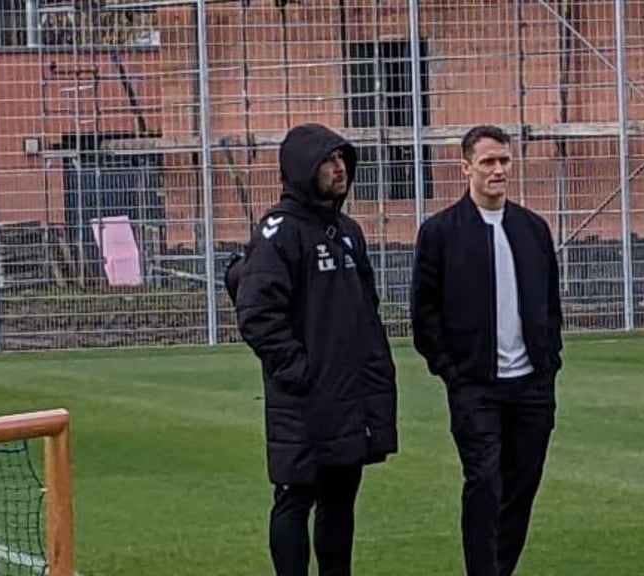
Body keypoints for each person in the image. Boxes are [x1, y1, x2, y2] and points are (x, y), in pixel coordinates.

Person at [232, 123, 398, 576]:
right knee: (294, 498)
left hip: (348, 396)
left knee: (340, 500)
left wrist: (372, 372)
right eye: (328, 160)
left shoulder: (346, 231)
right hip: (303, 401)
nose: (339, 167)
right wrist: (300, 371)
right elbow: (257, 313)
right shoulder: (280, 232)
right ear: (303, 168)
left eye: (342, 158)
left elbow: (366, 308)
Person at [410, 124, 563, 576]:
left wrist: (549, 360)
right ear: (466, 168)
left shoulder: (532, 228)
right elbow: (425, 310)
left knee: (522, 486)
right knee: (484, 482)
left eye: (504, 161)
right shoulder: (440, 232)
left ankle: (502, 568)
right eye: (488, 162)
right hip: (475, 385)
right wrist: (451, 370)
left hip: (532, 384)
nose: (498, 170)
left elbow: (550, 302)